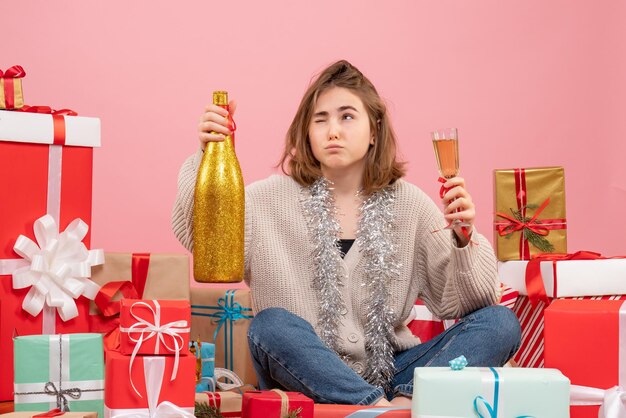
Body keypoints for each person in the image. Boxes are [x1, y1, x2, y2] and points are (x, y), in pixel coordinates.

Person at [172, 60, 521, 407]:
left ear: (374, 130)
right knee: (270, 326)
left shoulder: (409, 203)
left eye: (347, 116)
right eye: (320, 119)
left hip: (396, 374)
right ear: (306, 132)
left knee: (500, 322)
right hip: (304, 373)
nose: (332, 130)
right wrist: (207, 153)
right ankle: (382, 410)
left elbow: (469, 303)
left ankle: (398, 405)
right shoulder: (265, 199)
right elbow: (204, 239)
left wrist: (463, 239)